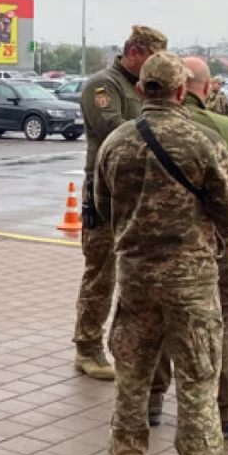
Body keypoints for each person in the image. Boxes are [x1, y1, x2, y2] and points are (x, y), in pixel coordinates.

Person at [95, 51, 228, 455]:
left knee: (133, 378)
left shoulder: (116, 143)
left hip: (136, 278)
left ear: (142, 90)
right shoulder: (203, 141)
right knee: (198, 382)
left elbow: (103, 207)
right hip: (191, 284)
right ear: (183, 91)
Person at [148, 57, 228, 438]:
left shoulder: (136, 129)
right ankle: (224, 410)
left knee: (158, 324)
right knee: (220, 326)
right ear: (203, 86)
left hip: (154, 248)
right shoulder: (223, 128)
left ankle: (151, 402)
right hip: (214, 247)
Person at [72, 25, 166, 381]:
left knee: (138, 273)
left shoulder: (144, 87)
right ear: (136, 52)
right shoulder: (103, 85)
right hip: (105, 191)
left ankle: (126, 347)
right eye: (153, 58)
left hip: (140, 191)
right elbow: (114, 126)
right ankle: (87, 346)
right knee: (101, 273)